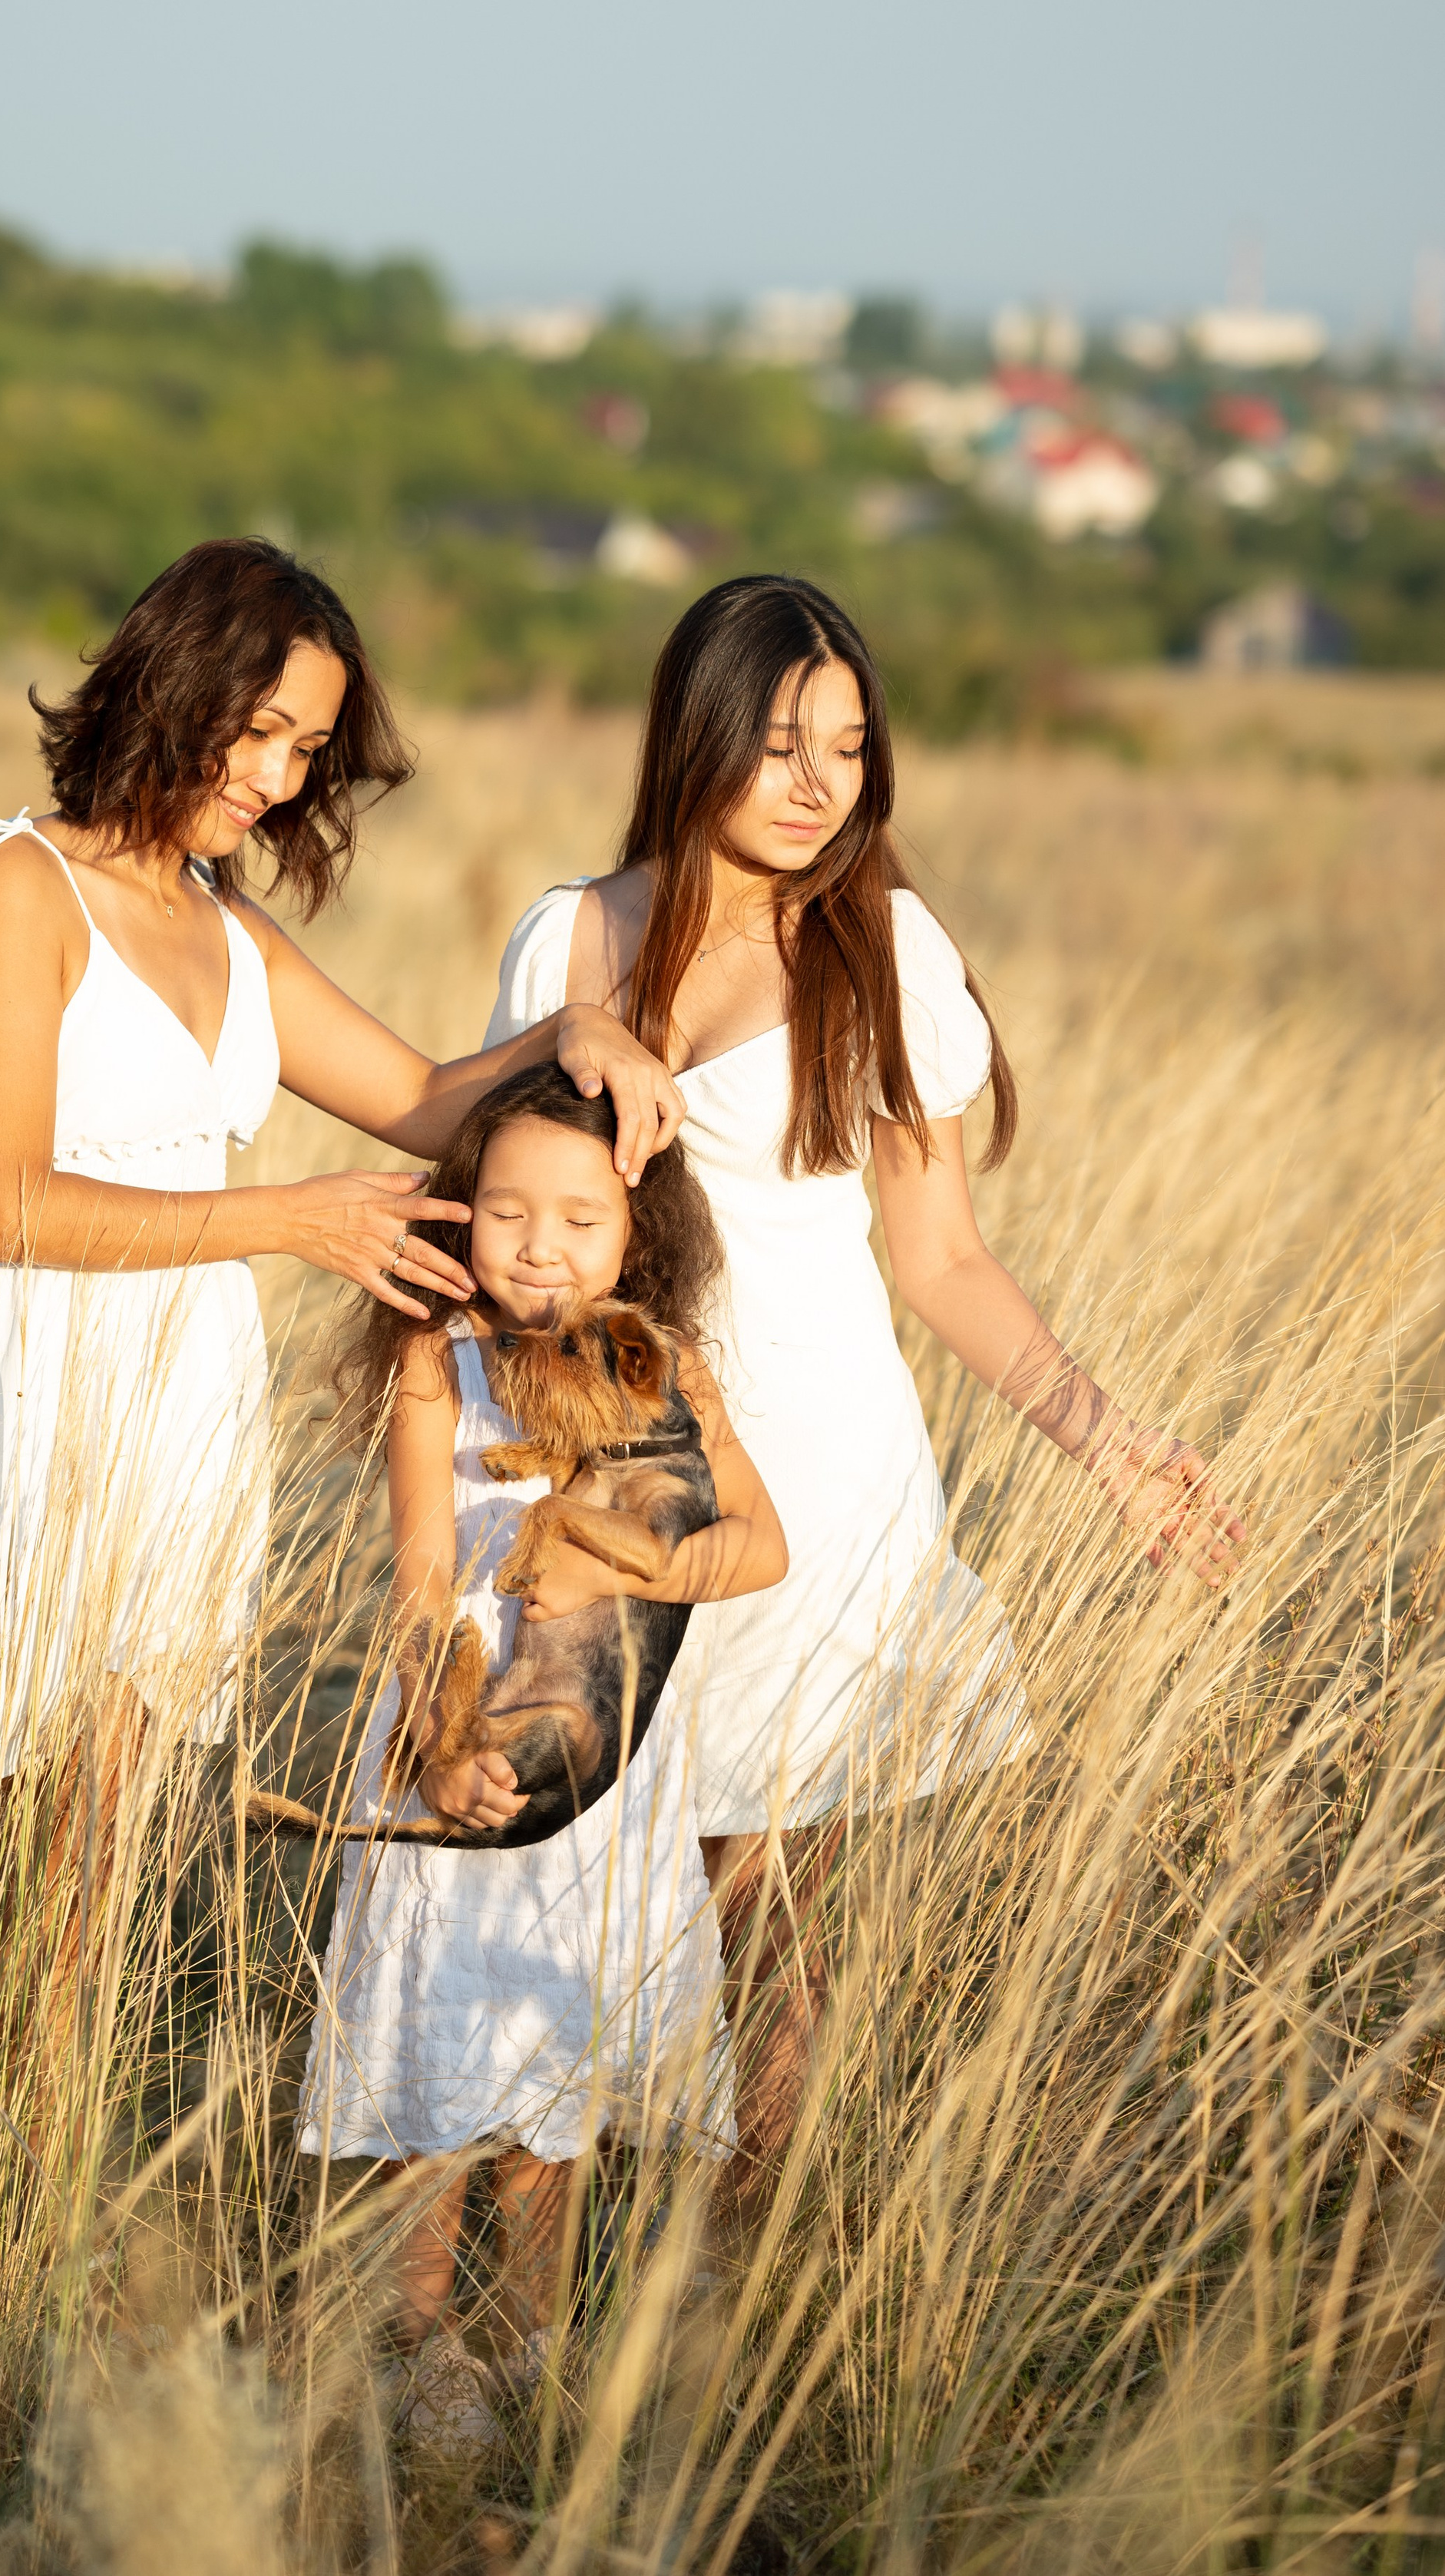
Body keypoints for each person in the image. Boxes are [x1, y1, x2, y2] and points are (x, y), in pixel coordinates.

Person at [0, 537, 684, 2316]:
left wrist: (568, 1024)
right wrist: (288, 1216)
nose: (277, 776)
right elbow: (3, 1203)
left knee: (104, 1838)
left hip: (185, 1397)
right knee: (71, 1824)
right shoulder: (15, 886)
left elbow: (433, 1097)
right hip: (46, 1379)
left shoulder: (226, 930)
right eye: (263, 730)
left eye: (306, 751)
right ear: (176, 683)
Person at [484, 574, 1246, 2174]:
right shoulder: (569, 934)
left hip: (818, 1478)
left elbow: (941, 1258)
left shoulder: (881, 946)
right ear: (695, 737)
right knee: (569, 1888)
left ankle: (727, 2302)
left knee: (762, 1921)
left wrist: (1108, 1447)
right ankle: (541, 2301)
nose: (818, 781)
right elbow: (508, 1214)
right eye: (776, 742)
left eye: (845, 744)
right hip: (609, 1472)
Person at [296, 1060, 786, 2453]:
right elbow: (417, 1580)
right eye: (506, 1213)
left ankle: (530, 2332)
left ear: (637, 1229)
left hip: (605, 1763)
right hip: (461, 1744)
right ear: (461, 1219)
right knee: (440, 2058)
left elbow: (760, 1545)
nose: (540, 1248)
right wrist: (437, 1752)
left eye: (579, 1219)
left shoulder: (664, 1368)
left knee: (554, 2051)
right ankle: (421, 2333)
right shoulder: (433, 1355)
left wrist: (614, 1557)